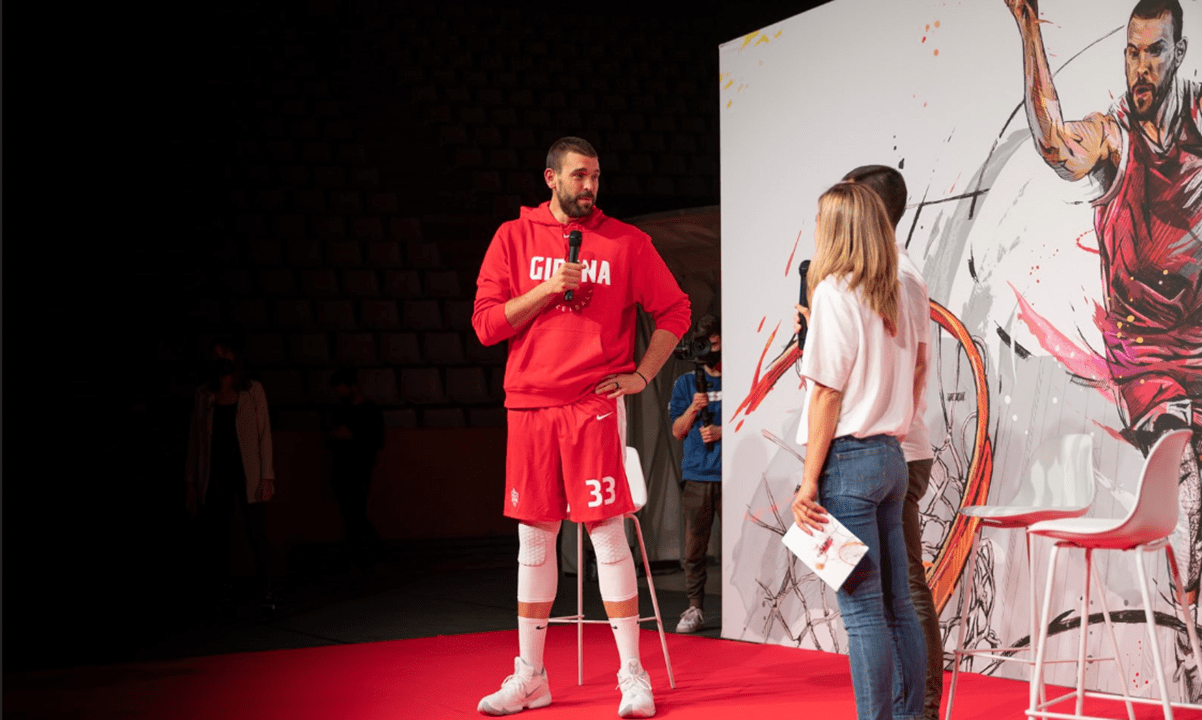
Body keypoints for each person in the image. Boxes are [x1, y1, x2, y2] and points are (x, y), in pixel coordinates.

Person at [472, 136, 691, 717]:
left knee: (606, 535)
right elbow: (487, 326)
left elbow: (675, 310)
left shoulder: (626, 241)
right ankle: (531, 677)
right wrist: (547, 289)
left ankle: (632, 676)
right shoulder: (511, 238)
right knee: (535, 540)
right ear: (550, 178)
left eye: (595, 176)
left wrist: (643, 376)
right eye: (578, 176)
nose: (589, 186)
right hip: (529, 406)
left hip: (593, 403)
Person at [1004, 0, 1202, 621]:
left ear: (1179, 55)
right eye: (1131, 52)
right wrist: (1030, 28)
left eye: (1154, 53)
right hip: (1143, 350)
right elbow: (1054, 143)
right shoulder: (1112, 134)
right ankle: (1194, 630)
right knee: (1188, 480)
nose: (1139, 68)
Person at [791, 182, 927, 720]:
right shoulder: (902, 291)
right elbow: (916, 370)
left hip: (847, 461)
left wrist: (808, 481)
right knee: (896, 607)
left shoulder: (833, 292)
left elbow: (825, 392)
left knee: (864, 613)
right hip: (891, 456)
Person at [840, 165, 941, 720]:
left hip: (894, 446)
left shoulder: (898, 274)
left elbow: (919, 365)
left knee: (900, 591)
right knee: (887, 592)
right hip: (887, 444)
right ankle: (910, 704)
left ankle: (920, 706)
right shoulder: (881, 272)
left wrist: (896, 423)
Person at [184, 336, 277, 611]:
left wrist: (267, 476)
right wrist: (190, 482)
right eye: (215, 354)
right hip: (216, 473)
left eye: (224, 353)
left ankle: (268, 589)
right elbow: (195, 441)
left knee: (256, 532)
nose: (220, 358)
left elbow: (264, 436)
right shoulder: (204, 394)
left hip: (247, 471)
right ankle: (222, 593)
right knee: (218, 535)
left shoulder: (253, 390)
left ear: (236, 357)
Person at [668, 315, 722, 634]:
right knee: (695, 548)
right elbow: (677, 430)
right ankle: (695, 606)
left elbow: (754, 420)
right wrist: (692, 409)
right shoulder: (686, 384)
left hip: (733, 475)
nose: (709, 350)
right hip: (698, 475)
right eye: (704, 344)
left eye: (714, 343)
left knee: (742, 545)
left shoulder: (742, 378)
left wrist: (721, 431)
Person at [326, 366, 385, 563]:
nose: (338, 393)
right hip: (341, 469)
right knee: (350, 513)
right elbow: (328, 437)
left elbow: (378, 440)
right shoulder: (339, 410)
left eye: (340, 388)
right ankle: (366, 553)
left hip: (361, 468)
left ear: (352, 386)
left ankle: (366, 553)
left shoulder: (370, 411)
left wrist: (353, 436)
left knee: (355, 512)